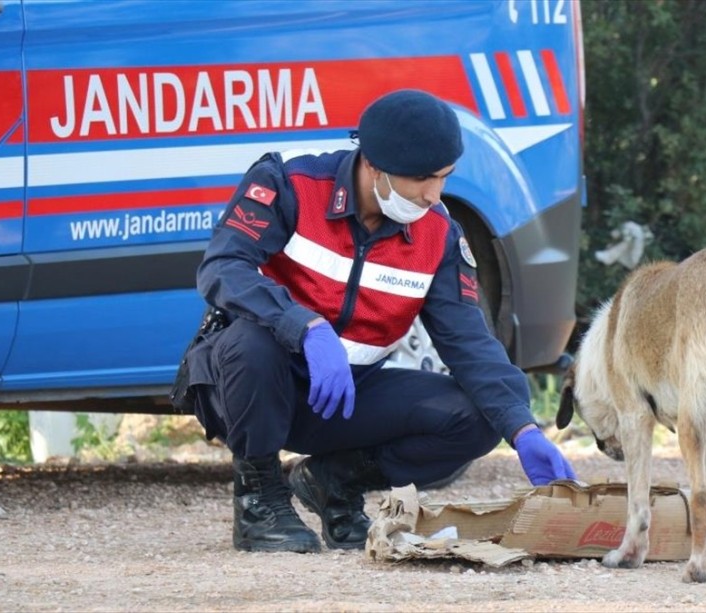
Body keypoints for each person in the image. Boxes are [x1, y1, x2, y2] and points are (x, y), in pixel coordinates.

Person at [177, 89, 576, 554]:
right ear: (372, 164)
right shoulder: (289, 182)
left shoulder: (439, 235)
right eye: (421, 178)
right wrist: (304, 326)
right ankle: (259, 501)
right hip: (247, 387)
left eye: (444, 177)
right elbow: (223, 267)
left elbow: (470, 342)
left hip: (340, 396)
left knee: (479, 417)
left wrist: (522, 428)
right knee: (252, 342)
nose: (433, 195)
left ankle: (333, 481)